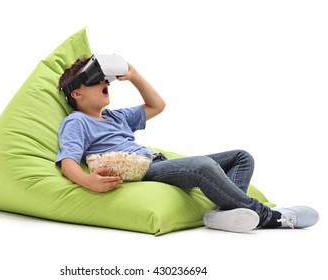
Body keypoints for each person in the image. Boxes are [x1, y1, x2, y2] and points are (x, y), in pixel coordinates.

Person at [56, 57, 319, 233]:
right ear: (77, 94)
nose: (104, 83)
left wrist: (134, 76)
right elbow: (68, 160)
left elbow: (156, 105)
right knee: (203, 166)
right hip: (140, 171)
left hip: (156, 162)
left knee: (242, 156)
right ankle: (269, 217)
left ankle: (226, 214)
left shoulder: (118, 116)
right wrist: (87, 181)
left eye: (104, 80)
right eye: (94, 81)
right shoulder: (77, 122)